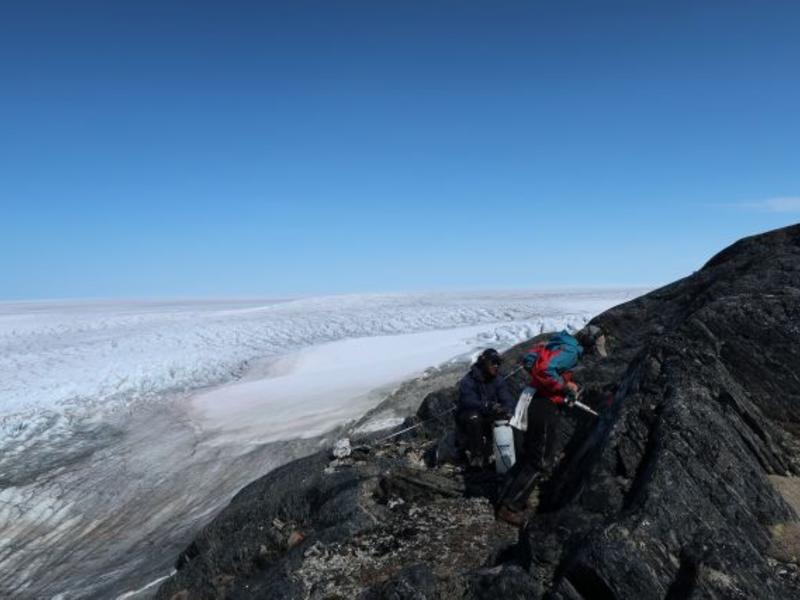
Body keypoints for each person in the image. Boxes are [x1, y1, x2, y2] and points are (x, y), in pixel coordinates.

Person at [496, 331, 584, 525]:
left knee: (529, 454)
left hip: (532, 398)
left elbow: (529, 360)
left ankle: (504, 496)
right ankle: (510, 507)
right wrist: (564, 386)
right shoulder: (571, 350)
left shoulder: (554, 344)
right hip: (544, 404)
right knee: (541, 460)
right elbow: (544, 370)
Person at [456, 348, 516, 468]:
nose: (496, 365)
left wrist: (506, 409)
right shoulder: (469, 380)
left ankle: (511, 457)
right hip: (470, 417)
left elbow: (507, 399)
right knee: (474, 417)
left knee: (511, 419)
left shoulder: (498, 380)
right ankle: (476, 457)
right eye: (493, 362)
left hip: (489, 416)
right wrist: (488, 405)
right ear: (484, 362)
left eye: (498, 363)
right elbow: (468, 401)